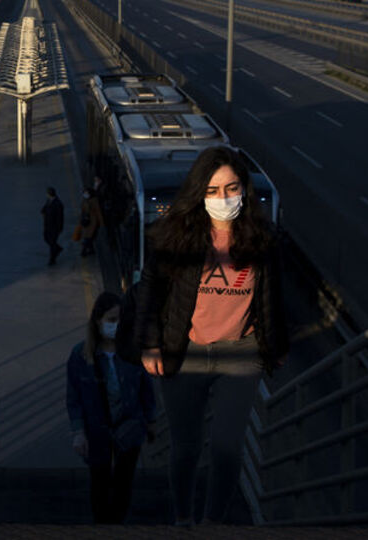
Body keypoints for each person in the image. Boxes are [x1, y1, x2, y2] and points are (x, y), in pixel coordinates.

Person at [133, 146, 288, 526]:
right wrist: (151, 344)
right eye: (214, 191)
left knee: (226, 448)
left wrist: (275, 344)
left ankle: (212, 525)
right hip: (185, 352)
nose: (224, 199)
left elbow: (273, 296)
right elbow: (150, 291)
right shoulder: (175, 237)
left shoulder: (263, 239)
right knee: (186, 448)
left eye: (232, 189)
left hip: (241, 354)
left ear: (244, 190)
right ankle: (183, 518)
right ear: (199, 192)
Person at [67, 292, 157, 524]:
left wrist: (150, 421)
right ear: (98, 320)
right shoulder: (81, 355)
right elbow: (74, 397)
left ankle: (116, 527)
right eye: (111, 319)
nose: (116, 325)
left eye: (120, 319)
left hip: (129, 427)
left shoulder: (133, 352)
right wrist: (78, 431)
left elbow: (146, 390)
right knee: (99, 482)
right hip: (97, 430)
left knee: (123, 483)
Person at [41, 186, 65, 265]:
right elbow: (45, 207)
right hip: (47, 225)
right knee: (46, 239)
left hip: (54, 227)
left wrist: (59, 227)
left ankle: (52, 259)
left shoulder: (58, 204)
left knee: (52, 243)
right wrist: (43, 211)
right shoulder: (49, 200)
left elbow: (60, 217)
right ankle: (57, 248)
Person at [79, 187, 103, 257]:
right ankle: (90, 250)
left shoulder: (93, 201)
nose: (85, 194)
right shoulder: (85, 200)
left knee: (89, 237)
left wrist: (101, 223)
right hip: (88, 221)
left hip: (92, 221)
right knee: (89, 237)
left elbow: (98, 212)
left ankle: (85, 250)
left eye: (86, 193)